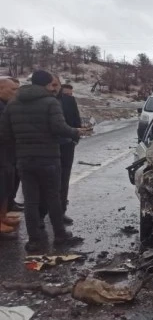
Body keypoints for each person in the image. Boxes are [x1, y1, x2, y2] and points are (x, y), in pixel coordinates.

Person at [0, 70, 83, 252]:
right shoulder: (50, 102)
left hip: (24, 159)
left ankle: (34, 240)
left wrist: (21, 147)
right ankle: (60, 236)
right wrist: (76, 131)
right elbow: (59, 127)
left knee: (30, 200)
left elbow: (5, 134)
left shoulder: (13, 104)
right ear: (46, 84)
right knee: (52, 196)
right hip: (49, 158)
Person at [57, 82, 83, 223]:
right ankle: (56, 212)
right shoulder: (46, 101)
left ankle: (59, 210)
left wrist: (75, 137)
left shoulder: (68, 101)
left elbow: (75, 118)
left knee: (62, 177)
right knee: (58, 178)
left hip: (67, 143)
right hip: (59, 143)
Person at [0, 77, 20, 236]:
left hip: (7, 154)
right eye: (13, 89)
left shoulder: (6, 105)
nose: (16, 92)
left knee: (6, 186)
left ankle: (3, 216)